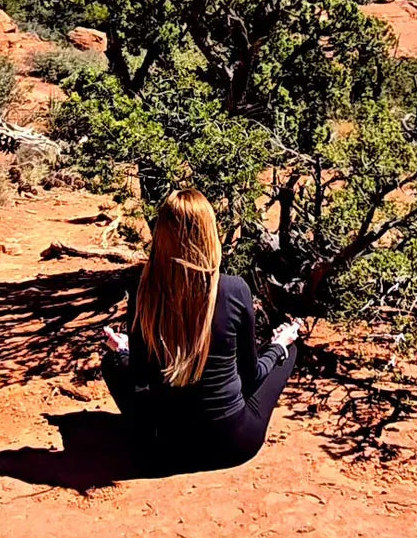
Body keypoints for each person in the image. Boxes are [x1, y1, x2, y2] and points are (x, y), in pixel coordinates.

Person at [100, 186, 300, 471]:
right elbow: (252, 375)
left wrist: (122, 352)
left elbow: (139, 376)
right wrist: (277, 347)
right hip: (232, 444)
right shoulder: (233, 289)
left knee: (112, 363)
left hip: (164, 446)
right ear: (209, 234)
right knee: (287, 351)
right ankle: (278, 354)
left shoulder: (144, 292)